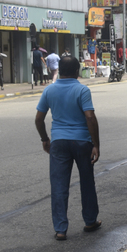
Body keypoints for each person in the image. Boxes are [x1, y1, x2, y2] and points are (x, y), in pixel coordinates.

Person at [35, 56, 102, 240]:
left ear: (60, 70)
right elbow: (89, 117)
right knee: (87, 182)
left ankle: (60, 229)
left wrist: (45, 139)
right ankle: (90, 221)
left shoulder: (49, 90)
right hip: (82, 142)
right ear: (76, 71)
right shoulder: (82, 90)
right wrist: (96, 144)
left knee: (58, 185)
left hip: (58, 143)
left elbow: (39, 119)